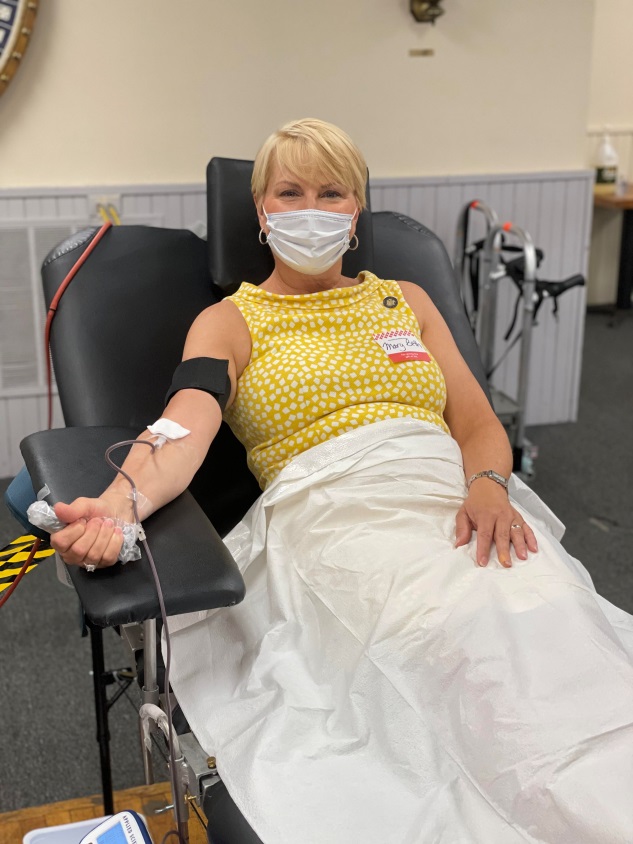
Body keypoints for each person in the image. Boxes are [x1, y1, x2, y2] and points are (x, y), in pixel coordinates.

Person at [50, 119, 633, 843]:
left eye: (332, 193)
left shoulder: (407, 301)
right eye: (290, 192)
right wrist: (116, 506)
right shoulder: (230, 321)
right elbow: (178, 431)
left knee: (553, 623)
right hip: (336, 516)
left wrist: (488, 483)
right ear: (261, 211)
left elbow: (478, 423)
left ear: (356, 211)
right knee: (454, 641)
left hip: (454, 500)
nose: (311, 209)